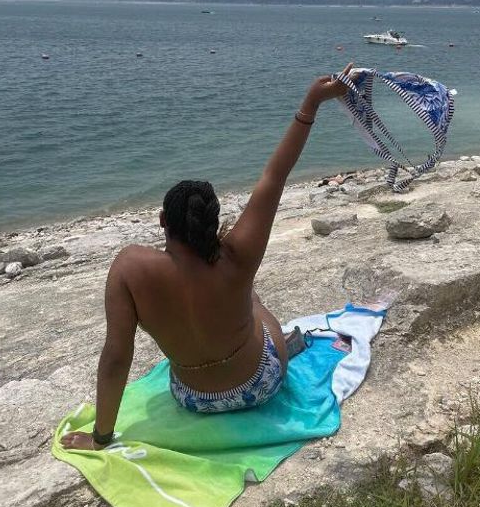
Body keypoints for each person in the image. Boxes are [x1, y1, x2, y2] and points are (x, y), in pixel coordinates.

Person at [62, 64, 353, 450]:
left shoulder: (129, 268)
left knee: (237, 301)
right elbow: (275, 176)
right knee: (251, 298)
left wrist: (101, 438)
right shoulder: (236, 255)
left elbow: (117, 356)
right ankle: (286, 342)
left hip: (193, 399)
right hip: (259, 385)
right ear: (214, 220)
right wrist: (312, 103)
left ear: (162, 220)